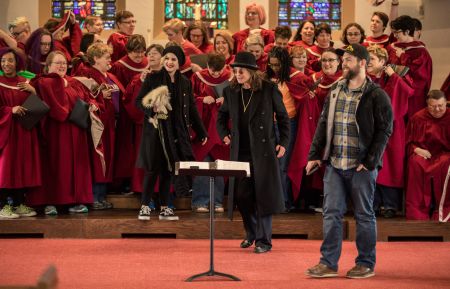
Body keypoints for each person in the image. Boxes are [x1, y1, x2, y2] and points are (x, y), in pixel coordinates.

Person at [305, 44, 393, 278]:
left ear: (363, 63)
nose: (344, 64)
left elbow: (385, 130)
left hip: (361, 166)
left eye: (349, 60)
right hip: (335, 164)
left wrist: (371, 160)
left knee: (364, 214)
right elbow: (323, 125)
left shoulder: (376, 94)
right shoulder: (335, 90)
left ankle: (365, 263)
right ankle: (328, 263)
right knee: (331, 213)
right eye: (343, 60)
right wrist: (314, 155)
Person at [216, 51, 290, 253]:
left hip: (264, 151)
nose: (237, 74)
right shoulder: (231, 91)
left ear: (251, 71)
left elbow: (283, 118)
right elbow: (221, 118)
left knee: (263, 196)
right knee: (242, 196)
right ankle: (251, 232)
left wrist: (283, 142)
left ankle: (263, 241)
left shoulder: (268, 89)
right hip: (240, 152)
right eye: (235, 70)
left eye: (241, 71)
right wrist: (224, 134)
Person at [135, 45, 207, 221]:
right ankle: (145, 206)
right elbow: (139, 102)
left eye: (173, 59)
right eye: (166, 58)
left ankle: (165, 207)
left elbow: (191, 109)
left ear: (179, 62)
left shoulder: (185, 82)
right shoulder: (153, 79)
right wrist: (153, 111)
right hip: (156, 132)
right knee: (153, 169)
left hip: (176, 133)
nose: (169, 62)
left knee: (169, 170)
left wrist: (201, 131)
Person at [27, 51, 96, 215]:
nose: (62, 66)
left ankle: (74, 201)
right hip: (54, 133)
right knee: (55, 166)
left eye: (64, 63)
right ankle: (49, 202)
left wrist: (92, 104)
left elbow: (87, 97)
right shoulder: (44, 82)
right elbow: (58, 110)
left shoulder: (73, 82)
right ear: (48, 66)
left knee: (75, 167)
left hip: (76, 131)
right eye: (57, 63)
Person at [288, 48, 342, 212]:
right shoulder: (312, 79)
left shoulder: (344, 80)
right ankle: (310, 201)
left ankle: (332, 202)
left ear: (338, 62)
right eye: (324, 60)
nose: (327, 63)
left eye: (331, 60)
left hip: (336, 129)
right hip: (313, 127)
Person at [367, 45, 413, 218]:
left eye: (371, 59)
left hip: (393, 127)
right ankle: (373, 203)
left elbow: (408, 92)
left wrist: (393, 77)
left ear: (382, 61)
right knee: (372, 163)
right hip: (371, 127)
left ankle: (389, 204)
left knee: (391, 166)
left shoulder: (397, 74)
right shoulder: (365, 78)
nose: (368, 63)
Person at [265, 46, 312, 211]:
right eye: (271, 65)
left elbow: (305, 99)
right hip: (268, 126)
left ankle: (284, 201)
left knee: (284, 164)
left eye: (277, 65)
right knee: (270, 164)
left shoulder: (297, 77)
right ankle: (272, 201)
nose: (274, 68)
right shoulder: (266, 78)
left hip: (288, 125)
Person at [81, 43, 125, 210]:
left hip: (111, 124)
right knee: (98, 160)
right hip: (97, 125)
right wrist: (98, 94)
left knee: (107, 160)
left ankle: (101, 196)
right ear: (96, 58)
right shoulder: (87, 74)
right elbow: (81, 95)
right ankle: (94, 196)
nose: (110, 60)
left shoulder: (110, 76)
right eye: (106, 57)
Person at [0, 48, 40, 219]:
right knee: (6, 169)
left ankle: (18, 204)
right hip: (6, 133)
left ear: (17, 62)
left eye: (10, 60)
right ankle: (3, 206)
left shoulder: (25, 82)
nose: (6, 64)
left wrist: (34, 93)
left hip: (24, 131)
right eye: (2, 61)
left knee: (21, 167)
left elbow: (35, 108)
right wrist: (10, 110)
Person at [190, 53, 231, 213]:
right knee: (203, 162)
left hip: (221, 127)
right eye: (212, 71)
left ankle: (217, 201)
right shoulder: (197, 77)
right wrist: (201, 100)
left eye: (218, 72)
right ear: (207, 66)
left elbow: (239, 99)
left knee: (220, 164)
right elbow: (188, 99)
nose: (215, 75)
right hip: (203, 126)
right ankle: (200, 201)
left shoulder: (231, 77)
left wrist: (227, 101)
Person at [122, 44, 164, 197]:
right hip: (145, 126)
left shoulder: (170, 75)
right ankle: (146, 194)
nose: (151, 56)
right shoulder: (138, 78)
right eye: (149, 54)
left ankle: (164, 195)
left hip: (164, 124)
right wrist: (140, 82)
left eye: (155, 53)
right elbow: (130, 102)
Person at [110, 34, 149, 194]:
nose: (139, 56)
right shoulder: (119, 66)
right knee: (126, 147)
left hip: (144, 112)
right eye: (135, 52)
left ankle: (139, 180)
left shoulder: (148, 64)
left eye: (142, 52)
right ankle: (125, 180)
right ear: (128, 51)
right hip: (126, 113)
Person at [405, 90, 449, 221]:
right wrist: (417, 149)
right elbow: (408, 143)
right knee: (415, 162)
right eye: (432, 106)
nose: (437, 109)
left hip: (445, 155)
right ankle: (417, 213)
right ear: (426, 104)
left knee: (446, 164)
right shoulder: (418, 118)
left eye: (440, 106)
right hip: (424, 154)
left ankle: (442, 211)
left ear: (446, 103)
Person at [388, 15, 433, 118]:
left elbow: (420, 77)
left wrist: (404, 57)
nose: (395, 36)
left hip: (411, 99)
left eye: (397, 32)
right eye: (393, 32)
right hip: (393, 94)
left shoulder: (420, 52)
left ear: (407, 31)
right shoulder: (392, 48)